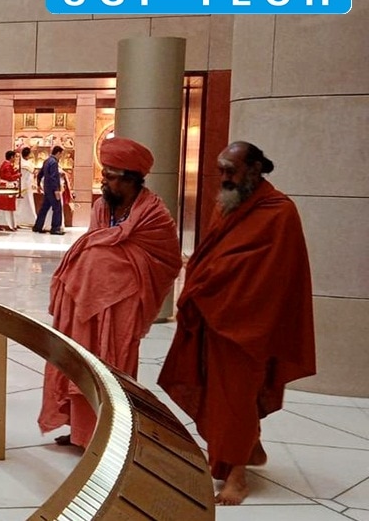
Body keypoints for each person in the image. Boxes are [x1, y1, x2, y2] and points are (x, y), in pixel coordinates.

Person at [158, 142, 315, 506]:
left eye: (231, 170)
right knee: (220, 394)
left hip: (250, 323)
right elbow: (212, 254)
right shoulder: (226, 204)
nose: (224, 177)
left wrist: (215, 280)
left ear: (255, 169)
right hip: (215, 314)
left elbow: (275, 274)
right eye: (221, 170)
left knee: (238, 396)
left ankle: (237, 477)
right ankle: (248, 448)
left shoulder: (280, 211)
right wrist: (202, 279)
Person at [38, 137, 181, 448]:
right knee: (78, 364)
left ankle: (110, 434)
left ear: (132, 179)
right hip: (83, 305)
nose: (104, 181)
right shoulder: (102, 206)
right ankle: (80, 430)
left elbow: (168, 261)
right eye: (104, 174)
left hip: (121, 309)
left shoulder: (155, 214)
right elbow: (94, 244)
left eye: (111, 176)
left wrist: (119, 263)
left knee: (113, 369)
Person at [33, 146, 66, 235]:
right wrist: (56, 190)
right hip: (53, 189)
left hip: (47, 188)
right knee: (57, 208)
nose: (61, 156)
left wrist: (38, 184)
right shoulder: (54, 162)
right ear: (58, 153)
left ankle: (37, 226)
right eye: (61, 154)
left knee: (44, 208)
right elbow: (53, 177)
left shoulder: (47, 161)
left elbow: (40, 174)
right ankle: (55, 228)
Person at [0, 150, 20, 231]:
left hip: (4, 185)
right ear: (11, 157)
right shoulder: (7, 165)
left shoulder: (5, 164)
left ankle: (1, 222)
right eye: (15, 157)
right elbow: (9, 177)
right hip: (7, 186)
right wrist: (17, 175)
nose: (15, 159)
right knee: (7, 206)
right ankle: (6, 224)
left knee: (3, 206)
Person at [16, 147, 37, 227]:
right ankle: (27, 220)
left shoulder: (21, 163)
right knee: (26, 203)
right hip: (26, 186)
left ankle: (21, 220)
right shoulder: (27, 164)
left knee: (24, 204)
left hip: (24, 186)